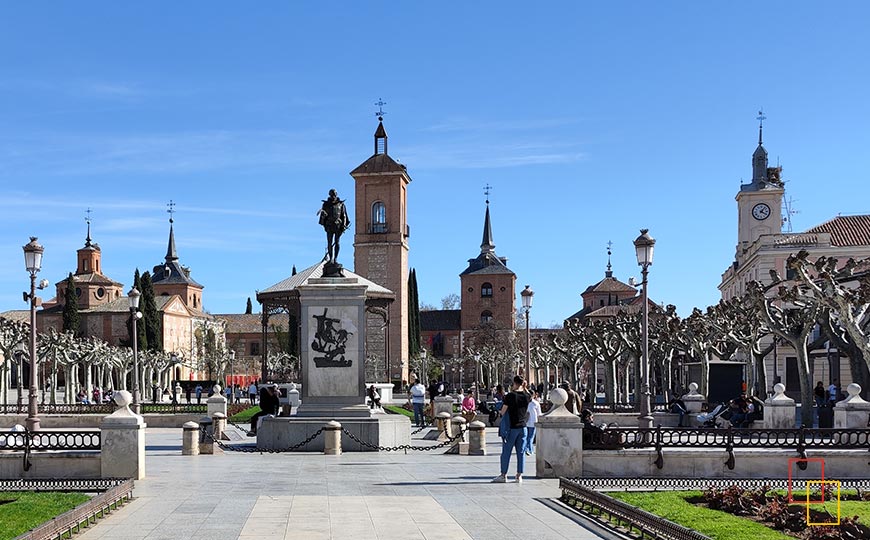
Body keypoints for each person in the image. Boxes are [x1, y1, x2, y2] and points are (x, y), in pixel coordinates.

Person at [492, 376, 530, 484]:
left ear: (514, 383)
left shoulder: (510, 396)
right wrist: (525, 387)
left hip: (511, 428)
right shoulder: (527, 396)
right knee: (521, 452)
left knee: (506, 452)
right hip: (523, 427)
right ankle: (519, 475)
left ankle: (503, 475)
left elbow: (503, 412)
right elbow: (528, 394)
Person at [317, 188, 351, 264]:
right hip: (329, 225)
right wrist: (323, 217)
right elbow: (322, 218)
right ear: (330, 195)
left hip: (338, 225)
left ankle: (335, 258)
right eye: (332, 194)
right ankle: (331, 259)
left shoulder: (341, 204)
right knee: (329, 242)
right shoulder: (326, 204)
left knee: (337, 242)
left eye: (335, 194)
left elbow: (344, 215)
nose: (333, 195)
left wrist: (344, 225)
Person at [525, 390, 542, 456]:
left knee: (529, 437)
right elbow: (539, 414)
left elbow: (538, 414)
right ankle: (529, 449)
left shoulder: (535, 403)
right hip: (530, 422)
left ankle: (529, 449)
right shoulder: (534, 403)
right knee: (530, 437)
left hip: (531, 422)